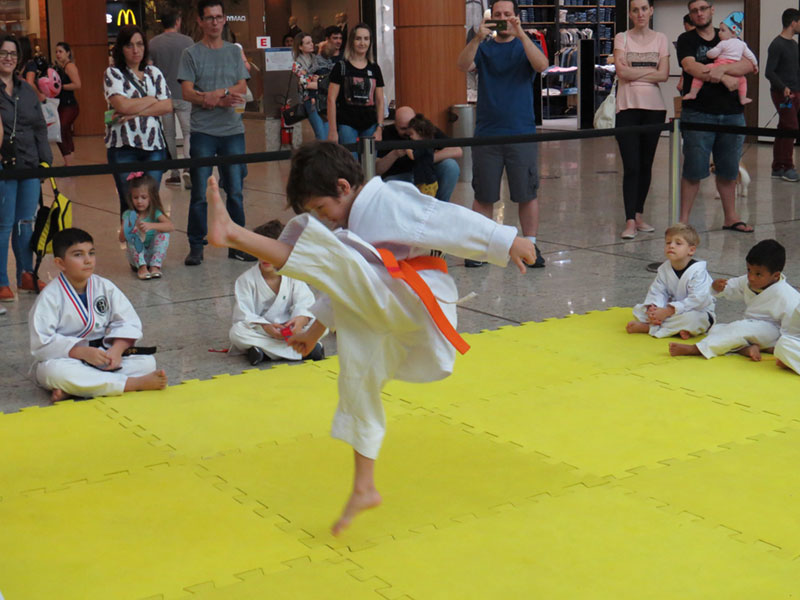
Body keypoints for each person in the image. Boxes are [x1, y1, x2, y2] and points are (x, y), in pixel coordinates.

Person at [204, 141, 537, 535]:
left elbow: (447, 220)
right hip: (383, 299)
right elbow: (346, 282)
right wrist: (314, 330)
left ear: (344, 187)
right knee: (356, 375)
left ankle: (234, 234)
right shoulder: (351, 230)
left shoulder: (388, 200)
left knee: (333, 255)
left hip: (416, 296)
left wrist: (505, 240)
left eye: (321, 209)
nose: (323, 218)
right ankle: (364, 485)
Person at [457, 0, 549, 268]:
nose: (503, 18)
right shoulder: (484, 47)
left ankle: (530, 245)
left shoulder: (526, 45)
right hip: (487, 132)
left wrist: (522, 35)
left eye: (508, 14)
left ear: (516, 17)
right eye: (497, 14)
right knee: (484, 194)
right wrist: (477, 37)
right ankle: (480, 248)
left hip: (521, 131)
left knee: (526, 192)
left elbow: (542, 65)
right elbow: (462, 65)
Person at [29, 228, 169, 402]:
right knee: (54, 373)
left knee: (147, 363)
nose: (88, 260)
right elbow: (42, 343)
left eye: (91, 253)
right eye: (78, 255)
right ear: (60, 263)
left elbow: (128, 322)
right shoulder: (50, 297)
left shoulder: (105, 287)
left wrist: (117, 350)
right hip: (69, 359)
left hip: (104, 355)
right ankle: (132, 384)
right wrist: (80, 352)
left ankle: (77, 389)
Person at [178, 0, 251, 266]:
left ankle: (237, 244)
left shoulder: (233, 51)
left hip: (232, 130)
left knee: (235, 191)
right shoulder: (191, 54)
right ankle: (196, 245)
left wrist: (217, 94)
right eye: (209, 18)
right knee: (199, 192)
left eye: (219, 17)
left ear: (224, 19)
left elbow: (242, 86)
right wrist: (216, 100)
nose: (215, 22)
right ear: (200, 21)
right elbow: (187, 92)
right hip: (203, 132)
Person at [677, 0, 758, 232]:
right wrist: (723, 77)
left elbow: (748, 65)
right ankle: (683, 220)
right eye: (694, 10)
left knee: (729, 168)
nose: (699, 13)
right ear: (690, 14)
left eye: (703, 8)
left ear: (712, 10)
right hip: (698, 113)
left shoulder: (729, 34)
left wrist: (720, 70)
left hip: (732, 113)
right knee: (693, 169)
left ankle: (731, 217)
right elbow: (691, 67)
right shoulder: (686, 39)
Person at [669, 239, 800, 361]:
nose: (751, 277)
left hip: (773, 333)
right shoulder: (748, 281)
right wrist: (718, 287)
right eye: (749, 270)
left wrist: (778, 348)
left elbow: (792, 331)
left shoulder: (788, 297)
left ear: (776, 275)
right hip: (752, 328)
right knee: (717, 330)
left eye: (758, 274)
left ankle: (697, 349)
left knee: (737, 330)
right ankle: (746, 348)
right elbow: (732, 287)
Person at [0, 34, 53, 302]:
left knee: (25, 223)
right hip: (4, 166)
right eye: (3, 53)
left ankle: (26, 274)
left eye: (13, 53)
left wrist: (46, 161)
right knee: (4, 223)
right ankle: (1, 280)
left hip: (30, 164)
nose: (8, 58)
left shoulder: (27, 90)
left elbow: (39, 127)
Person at [229, 219, 325, 364]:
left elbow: (305, 303)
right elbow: (244, 314)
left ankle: (264, 353)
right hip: (264, 332)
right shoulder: (245, 280)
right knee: (237, 332)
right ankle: (304, 349)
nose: (266, 256)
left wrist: (301, 320)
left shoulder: (293, 274)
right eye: (261, 250)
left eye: (271, 252)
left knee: (321, 323)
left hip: (293, 330)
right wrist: (266, 327)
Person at [613, 0, 669, 240]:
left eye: (644, 9)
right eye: (635, 10)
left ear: (651, 11)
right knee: (631, 166)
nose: (640, 13)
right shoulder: (622, 38)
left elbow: (664, 74)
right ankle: (629, 220)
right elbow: (621, 72)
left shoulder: (661, 38)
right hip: (627, 107)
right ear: (630, 13)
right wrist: (650, 72)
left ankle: (638, 215)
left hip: (654, 108)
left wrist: (634, 73)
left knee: (646, 164)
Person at [105, 26, 172, 218]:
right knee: (129, 203)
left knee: (150, 200)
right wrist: (152, 99)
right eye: (129, 45)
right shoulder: (113, 73)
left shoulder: (154, 72)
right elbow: (122, 106)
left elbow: (167, 105)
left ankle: (150, 237)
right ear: (121, 48)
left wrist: (136, 113)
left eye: (140, 44)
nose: (136, 50)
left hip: (154, 147)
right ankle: (131, 238)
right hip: (123, 147)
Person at [627, 223, 714, 339]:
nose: (671, 246)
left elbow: (699, 300)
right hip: (671, 311)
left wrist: (669, 311)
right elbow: (657, 291)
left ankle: (650, 328)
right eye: (668, 242)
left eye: (678, 243)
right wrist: (654, 308)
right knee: (639, 310)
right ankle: (675, 329)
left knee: (693, 319)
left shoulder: (698, 271)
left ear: (691, 250)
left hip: (698, 311)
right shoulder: (664, 269)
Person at [377, 105, 462, 203]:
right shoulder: (386, 133)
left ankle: (440, 205)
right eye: (403, 128)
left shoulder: (424, 129)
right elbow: (377, 169)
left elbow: (457, 150)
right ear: (395, 124)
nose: (408, 133)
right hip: (400, 176)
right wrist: (394, 154)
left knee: (450, 166)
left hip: (426, 175)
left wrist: (427, 158)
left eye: (412, 127)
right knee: (389, 183)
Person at [149, 7, 195, 189]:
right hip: (184, 93)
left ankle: (174, 173)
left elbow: (149, 71)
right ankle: (188, 168)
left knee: (168, 134)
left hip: (163, 97)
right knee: (188, 132)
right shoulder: (188, 42)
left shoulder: (153, 43)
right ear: (177, 21)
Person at [327, 23, 385, 149]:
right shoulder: (341, 67)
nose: (362, 43)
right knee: (349, 159)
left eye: (366, 39)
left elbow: (380, 100)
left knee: (369, 160)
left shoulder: (374, 68)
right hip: (346, 123)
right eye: (358, 38)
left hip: (370, 124)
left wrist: (380, 127)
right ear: (352, 41)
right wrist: (332, 130)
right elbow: (331, 99)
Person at [682, 13, 756, 106]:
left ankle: (693, 92)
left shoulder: (723, 43)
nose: (719, 33)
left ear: (733, 33)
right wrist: (755, 64)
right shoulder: (742, 44)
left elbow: (712, 54)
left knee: (704, 70)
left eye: (723, 30)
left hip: (720, 65)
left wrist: (719, 66)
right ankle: (743, 98)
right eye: (720, 30)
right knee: (743, 80)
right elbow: (751, 56)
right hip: (733, 68)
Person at [765, 9, 800, 182]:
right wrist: (783, 87)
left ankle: (777, 167)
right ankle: (787, 167)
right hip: (782, 94)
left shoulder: (794, 45)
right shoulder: (776, 44)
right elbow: (769, 72)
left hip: (796, 93)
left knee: (784, 127)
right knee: (791, 127)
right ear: (793, 23)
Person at [119, 173, 174, 280]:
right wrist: (129, 227)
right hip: (136, 259)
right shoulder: (128, 215)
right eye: (135, 197)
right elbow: (121, 239)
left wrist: (151, 226)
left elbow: (171, 226)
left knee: (164, 234)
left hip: (152, 254)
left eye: (143, 197)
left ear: (151, 198)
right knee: (133, 236)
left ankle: (155, 266)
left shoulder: (155, 213)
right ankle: (142, 267)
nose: (139, 201)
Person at [292, 32, 328, 140]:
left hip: (324, 99)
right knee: (321, 134)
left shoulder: (317, 59)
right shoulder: (297, 64)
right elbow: (306, 84)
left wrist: (320, 81)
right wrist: (322, 83)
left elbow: (327, 77)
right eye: (307, 43)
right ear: (300, 47)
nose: (312, 44)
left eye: (311, 42)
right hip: (310, 100)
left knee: (328, 133)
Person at [53, 41, 81, 167]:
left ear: (68, 53)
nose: (58, 54)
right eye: (56, 52)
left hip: (70, 105)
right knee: (65, 131)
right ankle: (69, 161)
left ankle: (68, 161)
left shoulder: (70, 66)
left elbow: (77, 84)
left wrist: (60, 87)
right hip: (63, 104)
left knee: (60, 130)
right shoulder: (62, 67)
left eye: (61, 51)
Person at [405, 113, 439, 198]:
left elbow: (413, 156)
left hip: (426, 182)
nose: (410, 137)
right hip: (424, 181)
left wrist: (406, 148)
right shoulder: (425, 144)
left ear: (420, 132)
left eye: (412, 134)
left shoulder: (423, 145)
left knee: (423, 200)